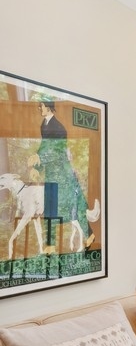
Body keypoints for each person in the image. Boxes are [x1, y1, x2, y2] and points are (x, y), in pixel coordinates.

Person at [27, 100, 94, 249]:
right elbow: (43, 148)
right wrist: (36, 168)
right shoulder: (43, 125)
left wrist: (40, 158)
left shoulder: (59, 128)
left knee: (73, 207)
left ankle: (89, 234)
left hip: (64, 175)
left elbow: (57, 152)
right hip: (51, 174)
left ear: (49, 107)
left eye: (41, 106)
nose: (39, 109)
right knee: (50, 208)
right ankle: (50, 245)